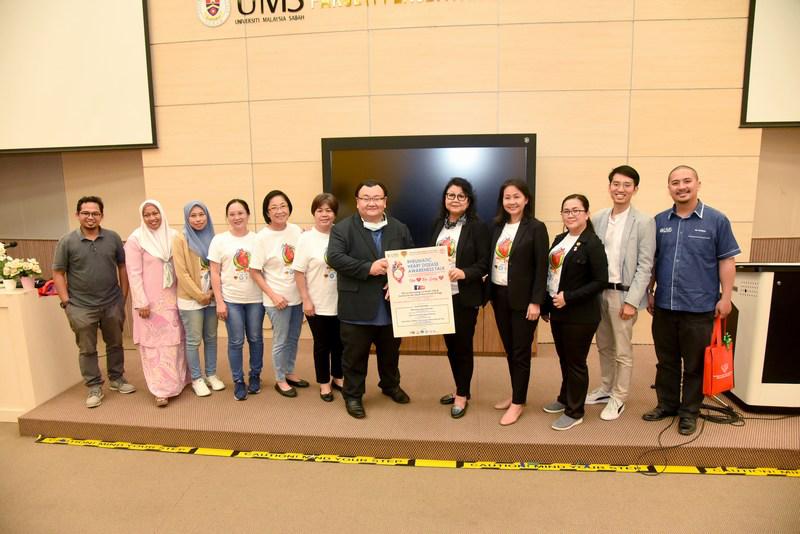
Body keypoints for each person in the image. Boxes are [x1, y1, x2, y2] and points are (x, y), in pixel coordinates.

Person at [644, 165, 739, 436]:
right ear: (669, 188)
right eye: (675, 182)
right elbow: (652, 261)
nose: (681, 187)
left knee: (695, 364)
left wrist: (726, 297)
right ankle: (667, 405)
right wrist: (649, 291)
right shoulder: (659, 221)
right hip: (665, 306)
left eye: (687, 181)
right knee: (666, 361)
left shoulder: (716, 220)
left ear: (698, 184)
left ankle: (689, 413)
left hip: (700, 307)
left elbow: (727, 260)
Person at [327, 180, 415, 419]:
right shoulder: (342, 229)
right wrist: (369, 268)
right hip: (356, 307)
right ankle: (353, 396)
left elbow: (409, 259)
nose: (371, 202)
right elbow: (334, 257)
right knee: (354, 357)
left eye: (377, 198)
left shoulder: (399, 228)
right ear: (357, 202)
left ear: (385, 201)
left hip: (390, 305)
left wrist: (398, 283)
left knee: (391, 354)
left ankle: (390, 385)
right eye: (366, 198)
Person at [586, 166, 656, 420]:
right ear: (609, 187)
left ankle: (619, 397)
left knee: (623, 350)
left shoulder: (644, 222)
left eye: (627, 185)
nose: (620, 189)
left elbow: (645, 265)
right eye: (616, 184)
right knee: (604, 345)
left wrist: (632, 301)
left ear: (635, 189)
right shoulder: (598, 218)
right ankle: (606, 388)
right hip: (598, 293)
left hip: (624, 295)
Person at [53, 196, 136, 408]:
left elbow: (123, 267)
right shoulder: (67, 241)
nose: (90, 217)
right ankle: (94, 386)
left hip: (112, 303)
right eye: (86, 213)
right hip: (80, 306)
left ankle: (117, 378)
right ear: (77, 215)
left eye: (95, 213)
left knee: (115, 343)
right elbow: (58, 273)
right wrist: (66, 303)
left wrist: (122, 297)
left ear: (101, 215)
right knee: (87, 348)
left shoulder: (113, 238)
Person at [541, 194, 608, 430]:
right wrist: (547, 306)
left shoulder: (592, 243)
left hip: (580, 315)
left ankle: (575, 411)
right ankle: (564, 398)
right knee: (564, 359)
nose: (571, 215)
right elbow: (551, 276)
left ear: (587, 214)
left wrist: (568, 297)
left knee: (576, 362)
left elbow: (600, 281)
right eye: (566, 211)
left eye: (576, 210)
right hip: (558, 312)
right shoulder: (560, 239)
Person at [488, 179, 549, 426]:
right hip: (499, 296)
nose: (511, 201)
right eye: (507, 197)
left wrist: (536, 302)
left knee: (521, 352)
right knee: (510, 349)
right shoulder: (497, 227)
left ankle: (518, 403)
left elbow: (542, 268)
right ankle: (516, 394)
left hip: (524, 301)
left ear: (526, 200)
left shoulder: (536, 228)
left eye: (516, 197)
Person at [431, 178, 489, 419]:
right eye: (450, 195)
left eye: (460, 196)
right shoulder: (438, 224)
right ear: (444, 199)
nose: (455, 200)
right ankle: (460, 388)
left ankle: (462, 395)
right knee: (451, 347)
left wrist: (464, 273)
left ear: (468, 201)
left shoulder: (478, 227)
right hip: (441, 295)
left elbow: (484, 263)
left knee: (462, 347)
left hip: (464, 296)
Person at [125, 199, 190, 407]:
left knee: (175, 342)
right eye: (147, 214)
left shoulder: (174, 236)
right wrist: (141, 302)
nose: (152, 218)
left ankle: (179, 381)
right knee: (155, 347)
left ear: (162, 213)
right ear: (142, 217)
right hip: (150, 304)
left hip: (173, 299)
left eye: (155, 213)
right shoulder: (136, 239)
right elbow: (133, 273)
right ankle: (160, 390)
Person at [251, 190, 309, 398]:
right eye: (273, 208)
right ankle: (280, 379)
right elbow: (254, 271)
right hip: (277, 299)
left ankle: (289, 372)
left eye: (283, 206)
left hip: (297, 296)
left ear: (289, 208)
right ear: (267, 212)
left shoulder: (296, 231)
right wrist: (273, 296)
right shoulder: (262, 237)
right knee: (281, 339)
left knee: (293, 338)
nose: (279, 211)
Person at [208, 199, 264, 401]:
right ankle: (238, 380)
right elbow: (214, 272)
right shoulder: (219, 240)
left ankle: (255, 375)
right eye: (232, 214)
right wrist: (219, 302)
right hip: (231, 300)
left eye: (240, 213)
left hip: (256, 299)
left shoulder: (258, 239)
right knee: (236, 341)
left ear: (248, 215)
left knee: (256, 338)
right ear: (227, 218)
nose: (236, 217)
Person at [294, 193, 344, 402]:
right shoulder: (306, 238)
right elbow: (298, 272)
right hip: (317, 302)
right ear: (314, 213)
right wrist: (306, 299)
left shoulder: (342, 234)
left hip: (342, 301)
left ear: (335, 214)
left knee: (340, 343)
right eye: (320, 210)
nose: (324, 214)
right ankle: (324, 383)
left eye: (329, 210)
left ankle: (338, 377)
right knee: (322, 344)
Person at [173, 200, 225, 397]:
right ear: (187, 218)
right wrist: (199, 295)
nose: (198, 219)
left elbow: (219, 268)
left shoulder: (214, 238)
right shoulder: (180, 239)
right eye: (193, 216)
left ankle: (211, 374)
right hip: (190, 300)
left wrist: (211, 293)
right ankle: (196, 378)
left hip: (211, 297)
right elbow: (181, 272)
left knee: (211, 338)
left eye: (201, 215)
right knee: (193, 340)